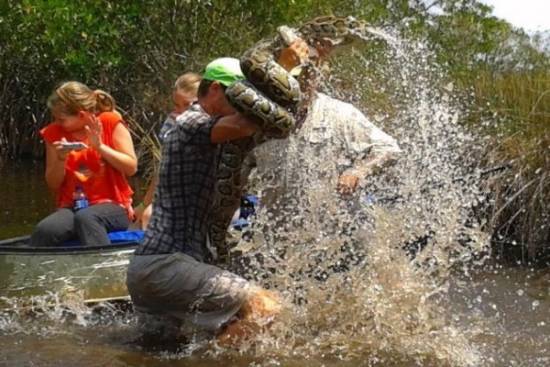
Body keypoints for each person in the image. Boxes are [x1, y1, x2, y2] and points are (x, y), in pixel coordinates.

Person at [126, 58, 281, 345]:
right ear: (212, 90)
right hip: (165, 264)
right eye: (235, 94)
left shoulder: (210, 132)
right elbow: (257, 121)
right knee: (265, 307)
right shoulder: (191, 121)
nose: (241, 101)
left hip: (159, 269)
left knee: (165, 350)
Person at [31, 81, 137, 247]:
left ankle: (102, 268)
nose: (57, 123)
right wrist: (60, 159)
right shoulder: (53, 133)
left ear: (81, 115)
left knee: (87, 218)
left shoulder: (110, 122)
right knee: (45, 230)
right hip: (73, 206)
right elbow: (53, 183)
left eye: (62, 119)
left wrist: (100, 147)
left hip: (114, 206)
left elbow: (131, 167)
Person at [133, 72, 201, 230]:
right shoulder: (172, 124)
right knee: (146, 215)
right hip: (175, 192)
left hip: (200, 193)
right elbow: (163, 169)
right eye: (177, 105)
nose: (182, 112)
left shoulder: (210, 124)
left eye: (188, 105)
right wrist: (145, 203)